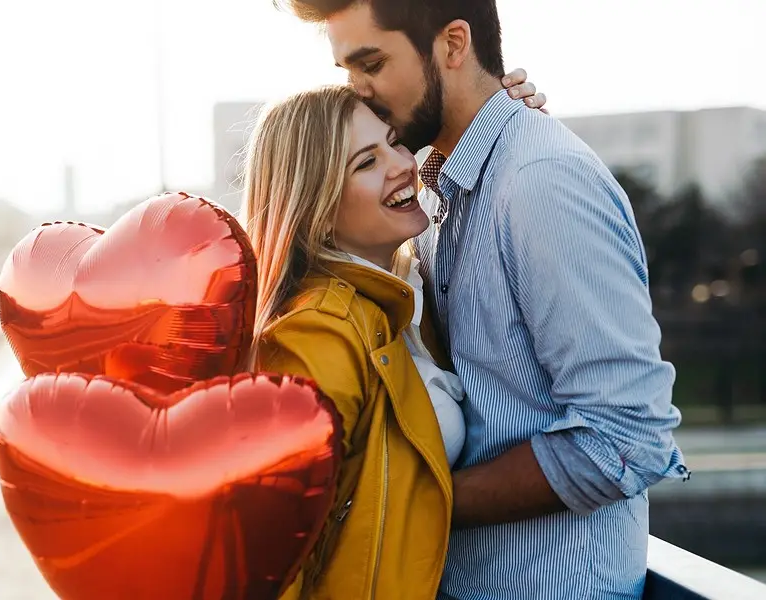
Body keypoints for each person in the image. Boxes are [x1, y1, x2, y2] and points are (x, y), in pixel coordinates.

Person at [277, 1, 688, 598]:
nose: (359, 91)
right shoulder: (439, 185)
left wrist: (412, 506)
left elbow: (626, 438)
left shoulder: (539, 180)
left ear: (452, 44)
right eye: (347, 71)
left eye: (371, 63)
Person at [242, 77, 546, 597]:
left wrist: (505, 129)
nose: (403, 163)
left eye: (394, 140)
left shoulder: (403, 294)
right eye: (366, 162)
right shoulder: (318, 333)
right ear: (314, 205)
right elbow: (269, 554)